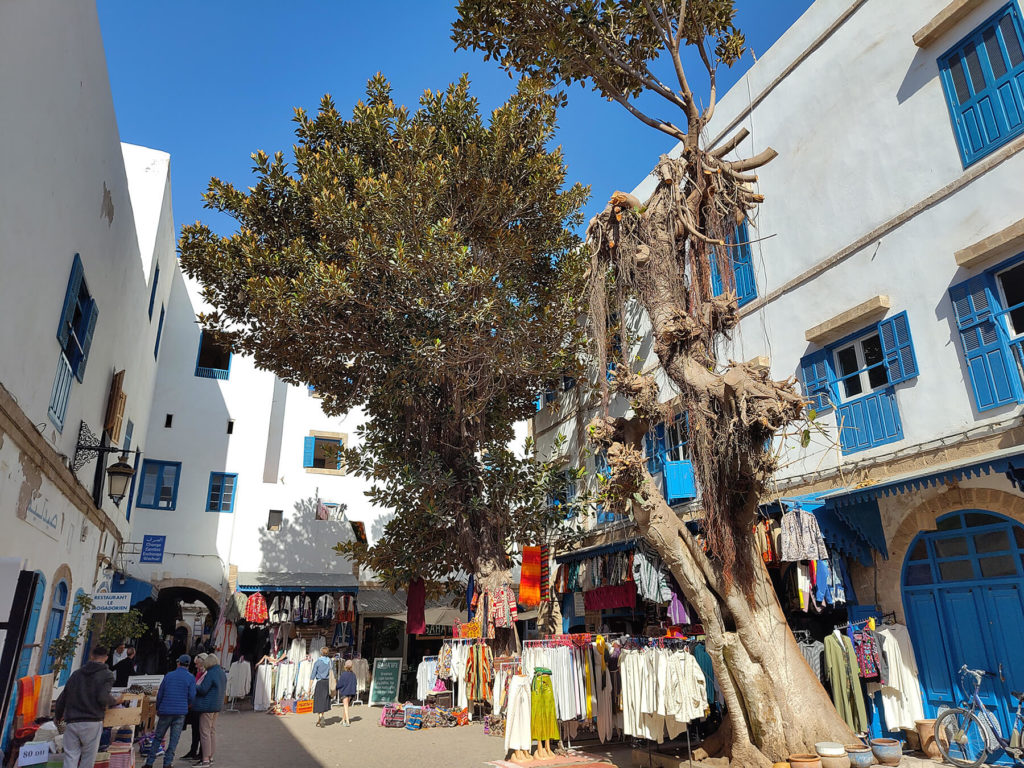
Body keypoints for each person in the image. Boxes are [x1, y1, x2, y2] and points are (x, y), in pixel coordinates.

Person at [55, 645, 121, 768]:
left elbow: (63, 697)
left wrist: (58, 716)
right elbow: (103, 697)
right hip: (92, 721)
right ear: (106, 658)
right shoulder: (107, 675)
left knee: (70, 757)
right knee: (87, 759)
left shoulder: (76, 674)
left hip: (72, 721)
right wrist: (116, 701)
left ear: (91, 656)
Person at [143, 655, 196, 768]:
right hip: (180, 712)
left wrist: (158, 708)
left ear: (178, 663)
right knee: (174, 739)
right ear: (188, 665)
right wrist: (187, 705)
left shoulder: (169, 675)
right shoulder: (191, 677)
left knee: (158, 737)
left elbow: (160, 693)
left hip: (166, 711)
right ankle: (167, 764)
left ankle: (149, 763)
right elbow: (192, 696)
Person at [193, 653, 226, 767]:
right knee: (212, 731)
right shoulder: (221, 673)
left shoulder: (210, 673)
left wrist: (194, 684)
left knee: (205, 732)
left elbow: (203, 689)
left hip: (207, 706)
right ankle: (211, 756)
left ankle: (205, 759)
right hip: (216, 706)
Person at [180, 655, 206, 761]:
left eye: (197, 663)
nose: (195, 666)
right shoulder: (199, 673)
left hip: (200, 706)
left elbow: (201, 689)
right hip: (194, 705)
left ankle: (200, 752)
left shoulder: (205, 674)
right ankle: (193, 751)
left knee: (200, 731)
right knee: (195, 730)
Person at [310, 647, 332, 727]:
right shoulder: (330, 661)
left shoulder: (317, 662)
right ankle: (320, 719)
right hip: (327, 683)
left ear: (321, 653)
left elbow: (313, 675)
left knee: (318, 701)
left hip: (319, 683)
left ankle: (320, 717)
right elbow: (333, 672)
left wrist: (309, 687)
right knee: (324, 701)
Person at [337, 659, 357, 727]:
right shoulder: (353, 675)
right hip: (351, 692)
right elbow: (355, 683)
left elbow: (340, 684)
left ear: (345, 666)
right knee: (346, 706)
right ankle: (343, 720)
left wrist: (336, 688)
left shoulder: (343, 674)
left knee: (345, 707)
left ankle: (347, 721)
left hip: (344, 692)